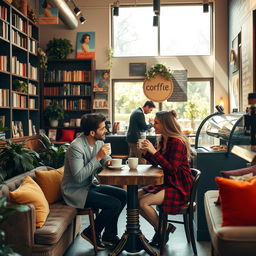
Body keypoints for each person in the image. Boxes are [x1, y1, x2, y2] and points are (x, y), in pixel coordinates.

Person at [61, 113, 127, 251]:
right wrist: (98, 157)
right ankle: (92, 232)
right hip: (75, 191)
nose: (106, 131)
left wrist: (108, 161)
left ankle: (109, 235)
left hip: (90, 186)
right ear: (92, 132)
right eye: (103, 128)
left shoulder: (98, 142)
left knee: (123, 195)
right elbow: (79, 177)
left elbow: (105, 159)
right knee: (113, 204)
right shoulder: (76, 147)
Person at [137, 110, 193, 247]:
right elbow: (159, 162)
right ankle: (163, 228)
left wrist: (154, 152)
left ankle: (162, 229)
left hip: (178, 185)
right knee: (134, 198)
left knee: (143, 203)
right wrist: (146, 153)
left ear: (165, 125)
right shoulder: (163, 139)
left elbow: (172, 169)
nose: (153, 125)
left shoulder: (177, 142)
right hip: (168, 182)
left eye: (156, 123)